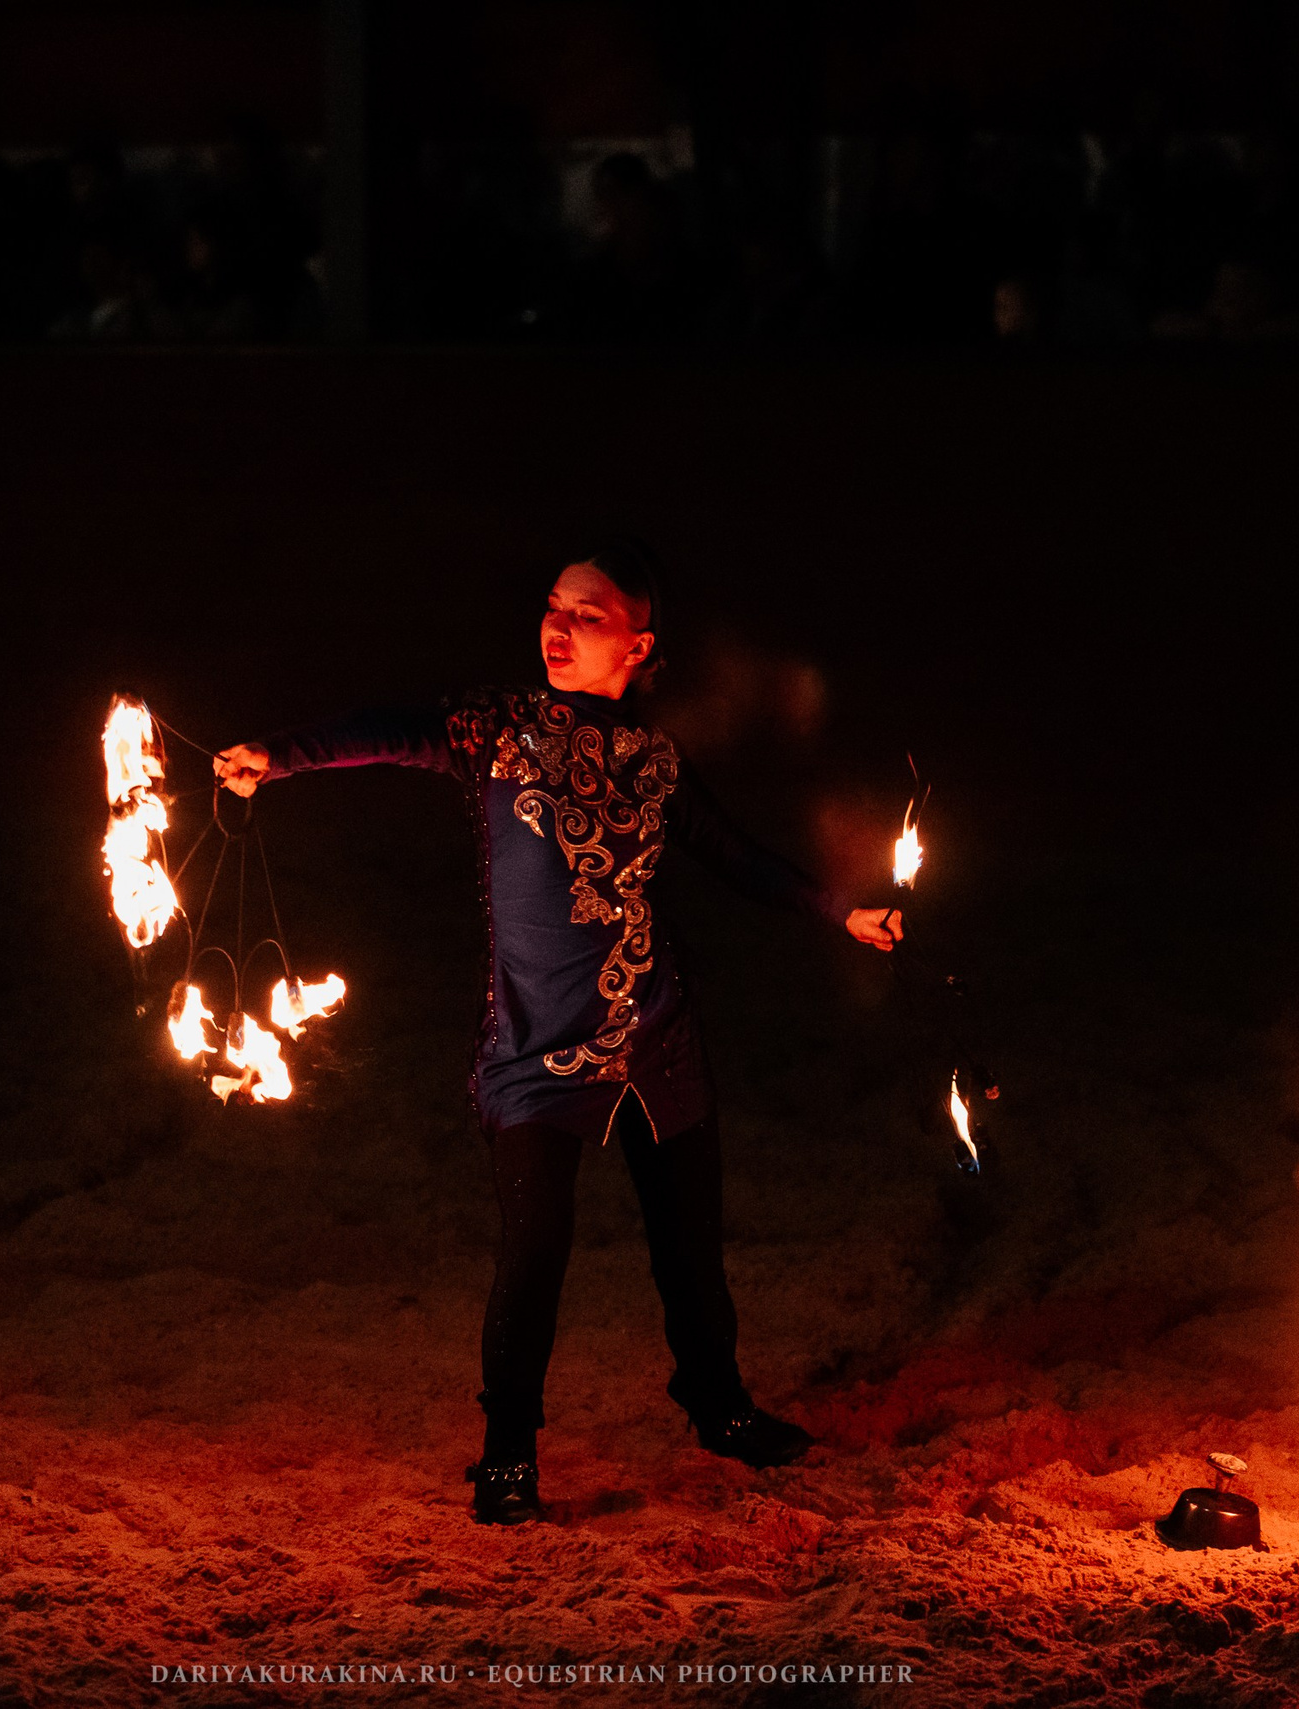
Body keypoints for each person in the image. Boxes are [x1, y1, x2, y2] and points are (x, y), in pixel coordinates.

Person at [215, 543, 905, 1523]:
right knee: (533, 1251)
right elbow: (391, 730)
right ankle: (506, 1452)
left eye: (588, 612)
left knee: (688, 1250)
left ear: (637, 643)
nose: (560, 622)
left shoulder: (657, 762)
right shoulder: (500, 730)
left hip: (653, 1033)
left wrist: (841, 912)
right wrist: (281, 755)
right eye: (552, 604)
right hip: (533, 1047)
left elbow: (737, 858)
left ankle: (720, 1407)